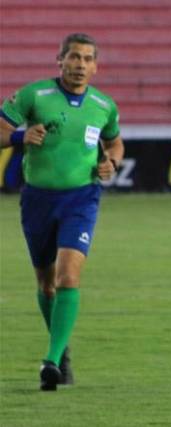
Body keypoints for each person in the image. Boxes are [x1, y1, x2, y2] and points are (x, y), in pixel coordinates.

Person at [0, 33, 124, 391]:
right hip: (37, 199)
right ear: (60, 60)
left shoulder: (104, 105)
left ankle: (52, 362)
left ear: (96, 66)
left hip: (81, 199)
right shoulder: (34, 95)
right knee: (45, 282)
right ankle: (62, 347)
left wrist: (112, 162)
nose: (80, 65)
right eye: (74, 57)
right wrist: (20, 137)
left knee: (67, 277)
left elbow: (114, 141)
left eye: (87, 59)